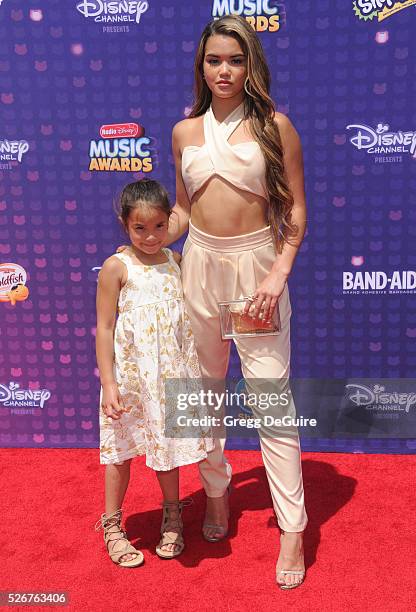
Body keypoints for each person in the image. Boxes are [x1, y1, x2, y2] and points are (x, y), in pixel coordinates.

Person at [169, 15, 308, 589]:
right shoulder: (183, 132)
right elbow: (181, 212)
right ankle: (218, 495)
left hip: (257, 268)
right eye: (213, 61)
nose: (223, 71)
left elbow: (295, 210)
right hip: (198, 266)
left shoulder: (275, 126)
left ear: (250, 64)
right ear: (201, 67)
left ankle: (294, 527)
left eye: (234, 60)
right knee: (203, 395)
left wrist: (279, 272)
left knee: (271, 396)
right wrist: (146, 237)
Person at [94, 179, 213, 567]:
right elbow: (106, 327)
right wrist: (109, 383)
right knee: (120, 450)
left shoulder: (174, 262)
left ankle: (173, 514)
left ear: (169, 223)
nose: (150, 236)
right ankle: (113, 524)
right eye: (139, 228)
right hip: (129, 379)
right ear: (124, 225)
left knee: (169, 450)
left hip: (167, 379)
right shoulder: (116, 267)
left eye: (159, 227)